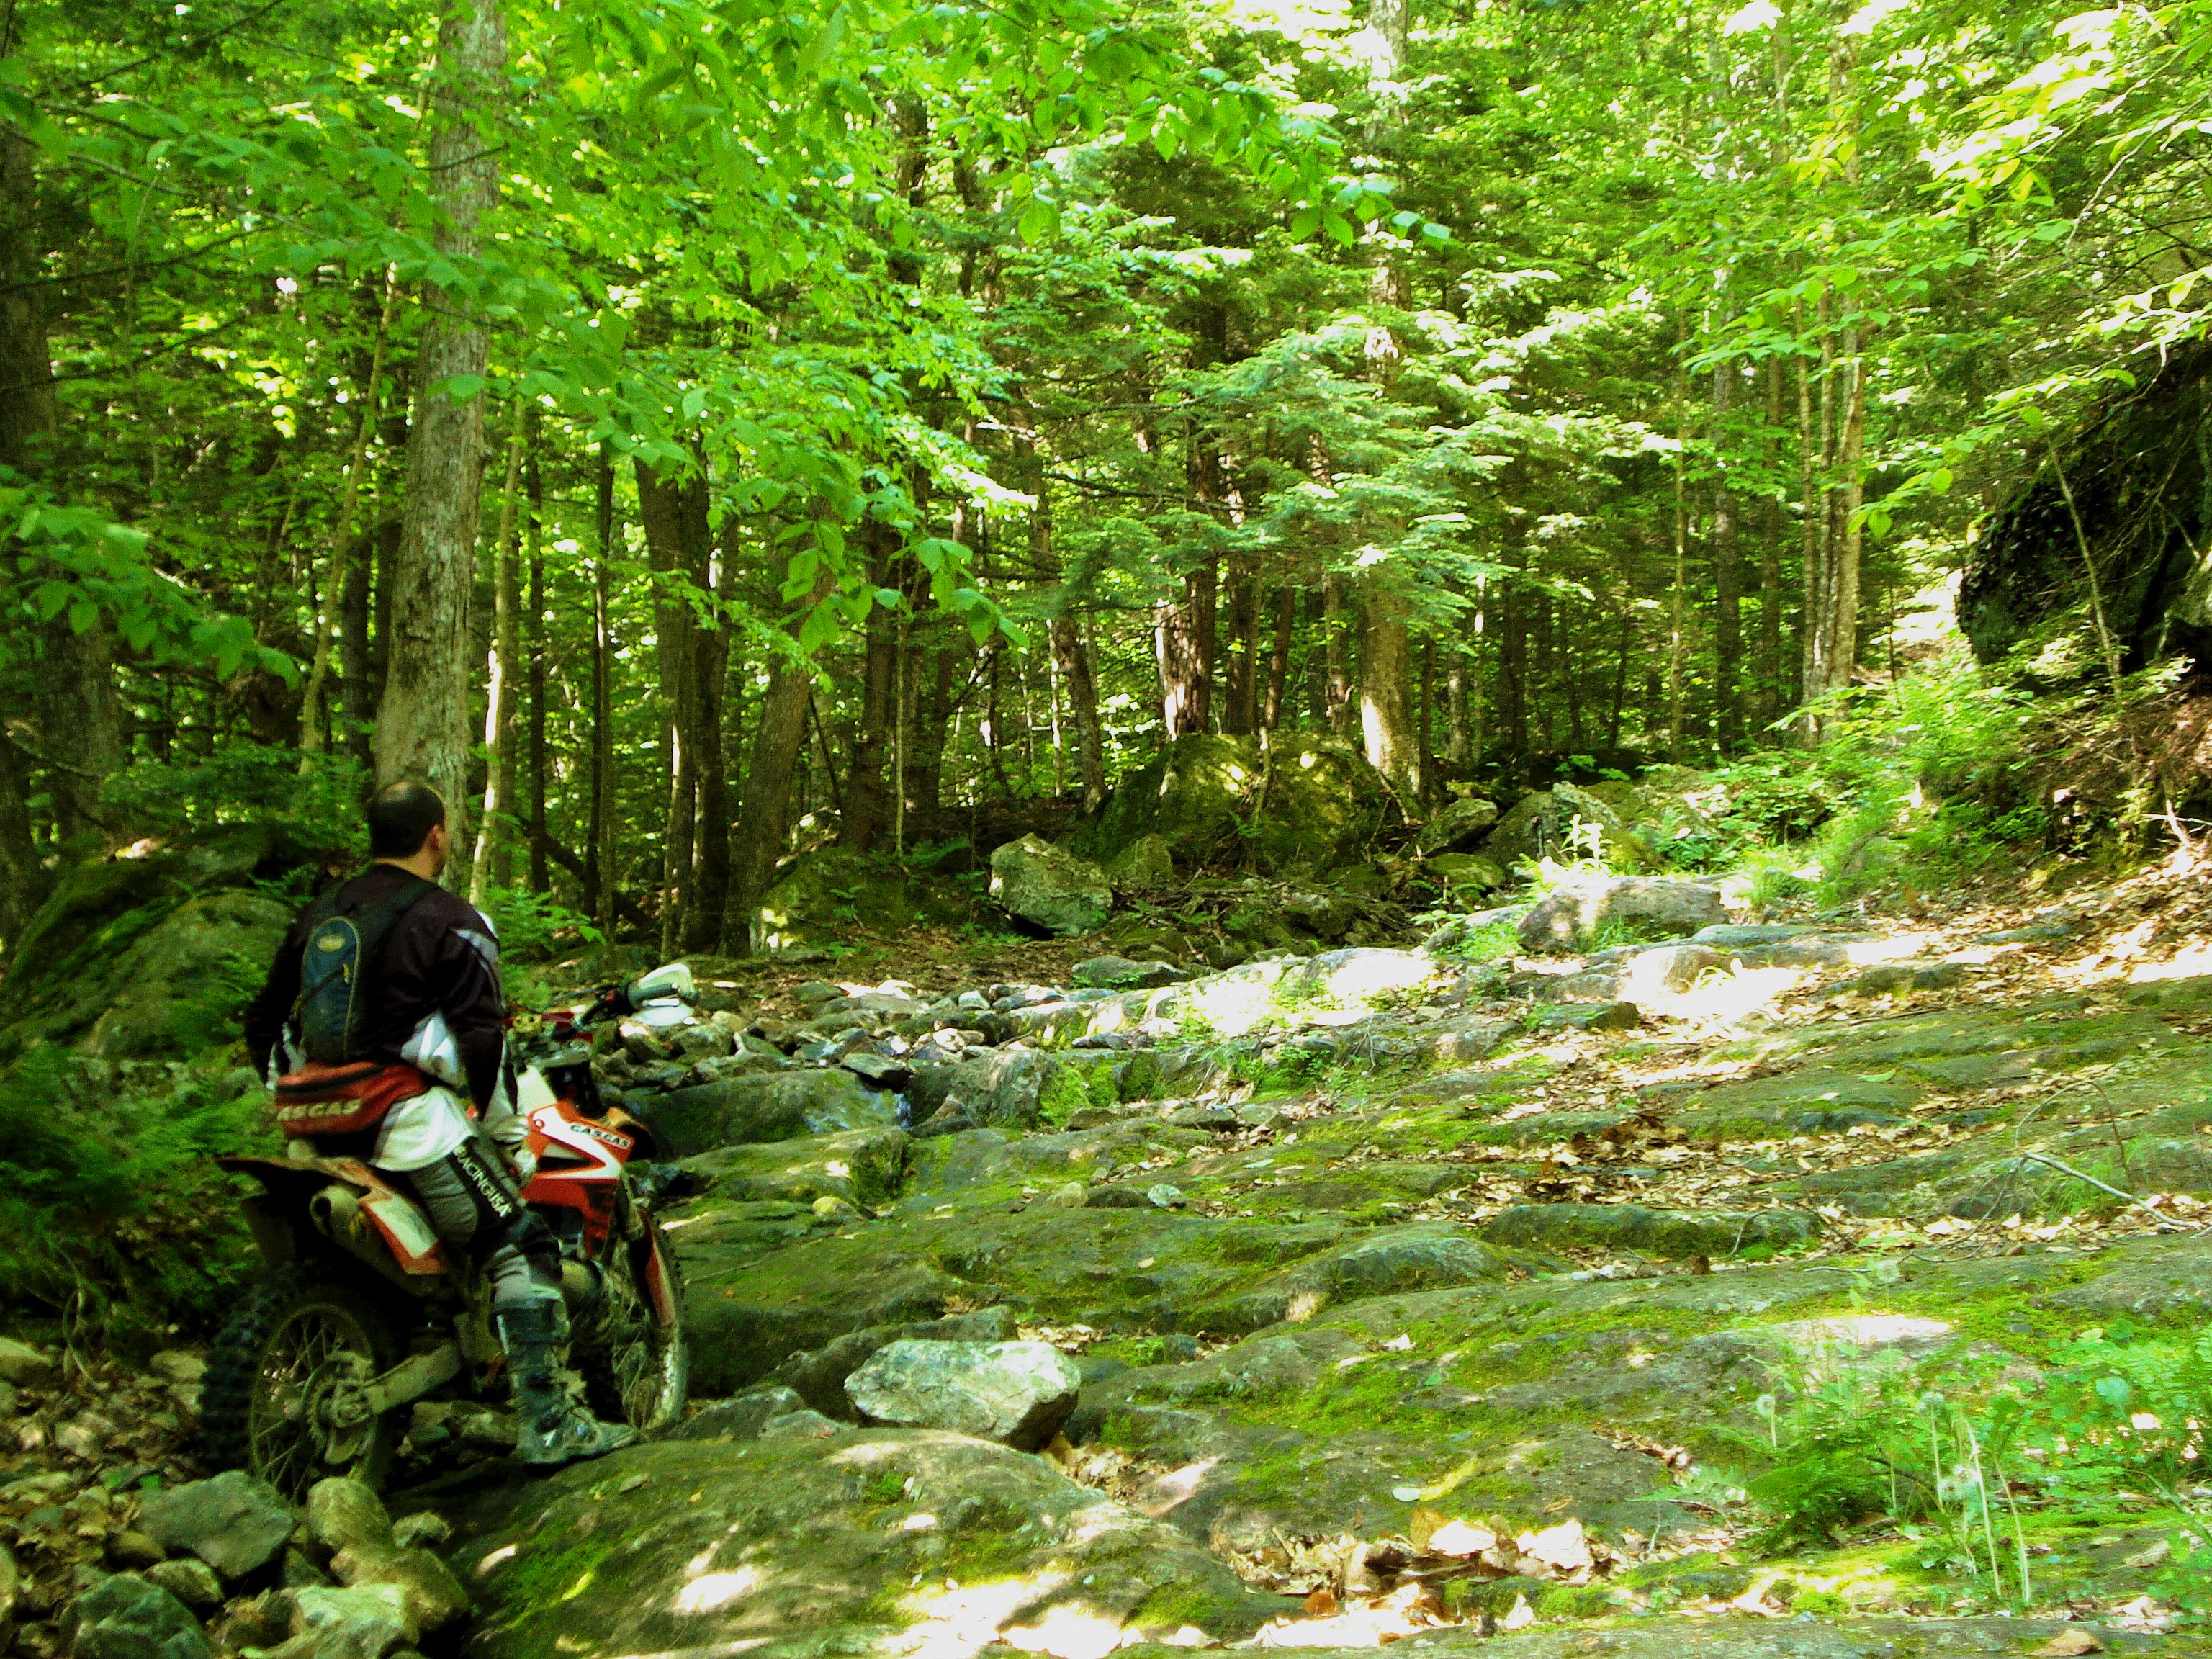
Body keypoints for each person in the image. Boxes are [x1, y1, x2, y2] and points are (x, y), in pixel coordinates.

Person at [244, 781, 635, 1468]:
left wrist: (294, 1095)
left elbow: (261, 1023)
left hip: (310, 1127)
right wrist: (490, 1120)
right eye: (446, 831)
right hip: (404, 1124)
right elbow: (482, 1037)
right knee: (520, 1244)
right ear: (436, 835)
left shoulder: (318, 914)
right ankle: (549, 1424)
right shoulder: (450, 917)